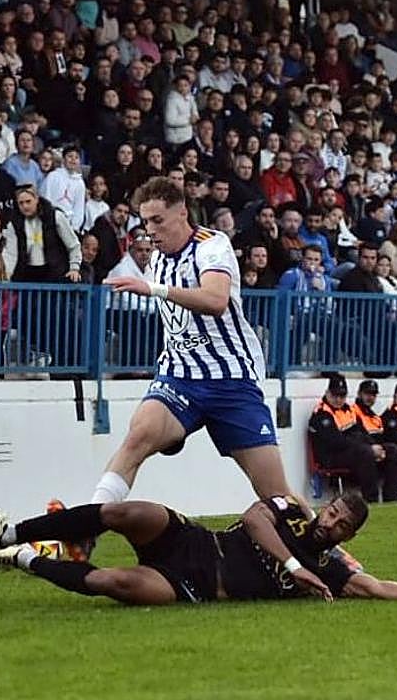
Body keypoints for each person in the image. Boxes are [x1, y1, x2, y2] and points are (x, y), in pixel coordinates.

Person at [88, 176, 290, 549]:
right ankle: (87, 529)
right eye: (145, 222)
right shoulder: (158, 258)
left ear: (182, 213)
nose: (150, 231)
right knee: (137, 437)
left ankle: (335, 559)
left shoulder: (212, 246)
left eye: (157, 221)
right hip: (180, 376)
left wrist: (155, 289)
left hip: (231, 379)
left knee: (278, 498)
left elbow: (215, 300)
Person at [0, 488, 397, 606]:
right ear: (325, 508)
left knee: (112, 582)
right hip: (195, 541)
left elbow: (373, 586)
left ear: (350, 535)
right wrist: (292, 564)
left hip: (194, 586)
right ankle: (8, 534)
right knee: (128, 512)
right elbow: (256, 518)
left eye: (342, 524)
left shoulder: (334, 568)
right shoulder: (293, 511)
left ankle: (24, 560)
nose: (332, 522)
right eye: (333, 512)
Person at [308, 375, 397, 503]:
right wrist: (369, 448)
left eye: (342, 396)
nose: (338, 399)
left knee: (392, 450)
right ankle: (371, 500)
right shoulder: (321, 414)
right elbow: (336, 442)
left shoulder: (348, 410)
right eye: (335, 395)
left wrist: (376, 447)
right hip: (331, 457)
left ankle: (392, 500)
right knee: (365, 452)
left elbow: (361, 432)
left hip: (352, 451)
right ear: (327, 393)